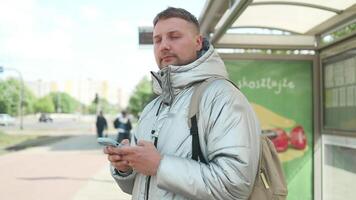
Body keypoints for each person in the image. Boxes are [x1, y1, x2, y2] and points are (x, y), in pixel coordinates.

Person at [104, 7, 261, 200]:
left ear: (198, 42)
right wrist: (125, 168)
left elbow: (235, 185)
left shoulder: (223, 97)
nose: (164, 46)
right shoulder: (152, 108)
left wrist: (159, 165)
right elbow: (142, 186)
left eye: (174, 36)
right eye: (157, 40)